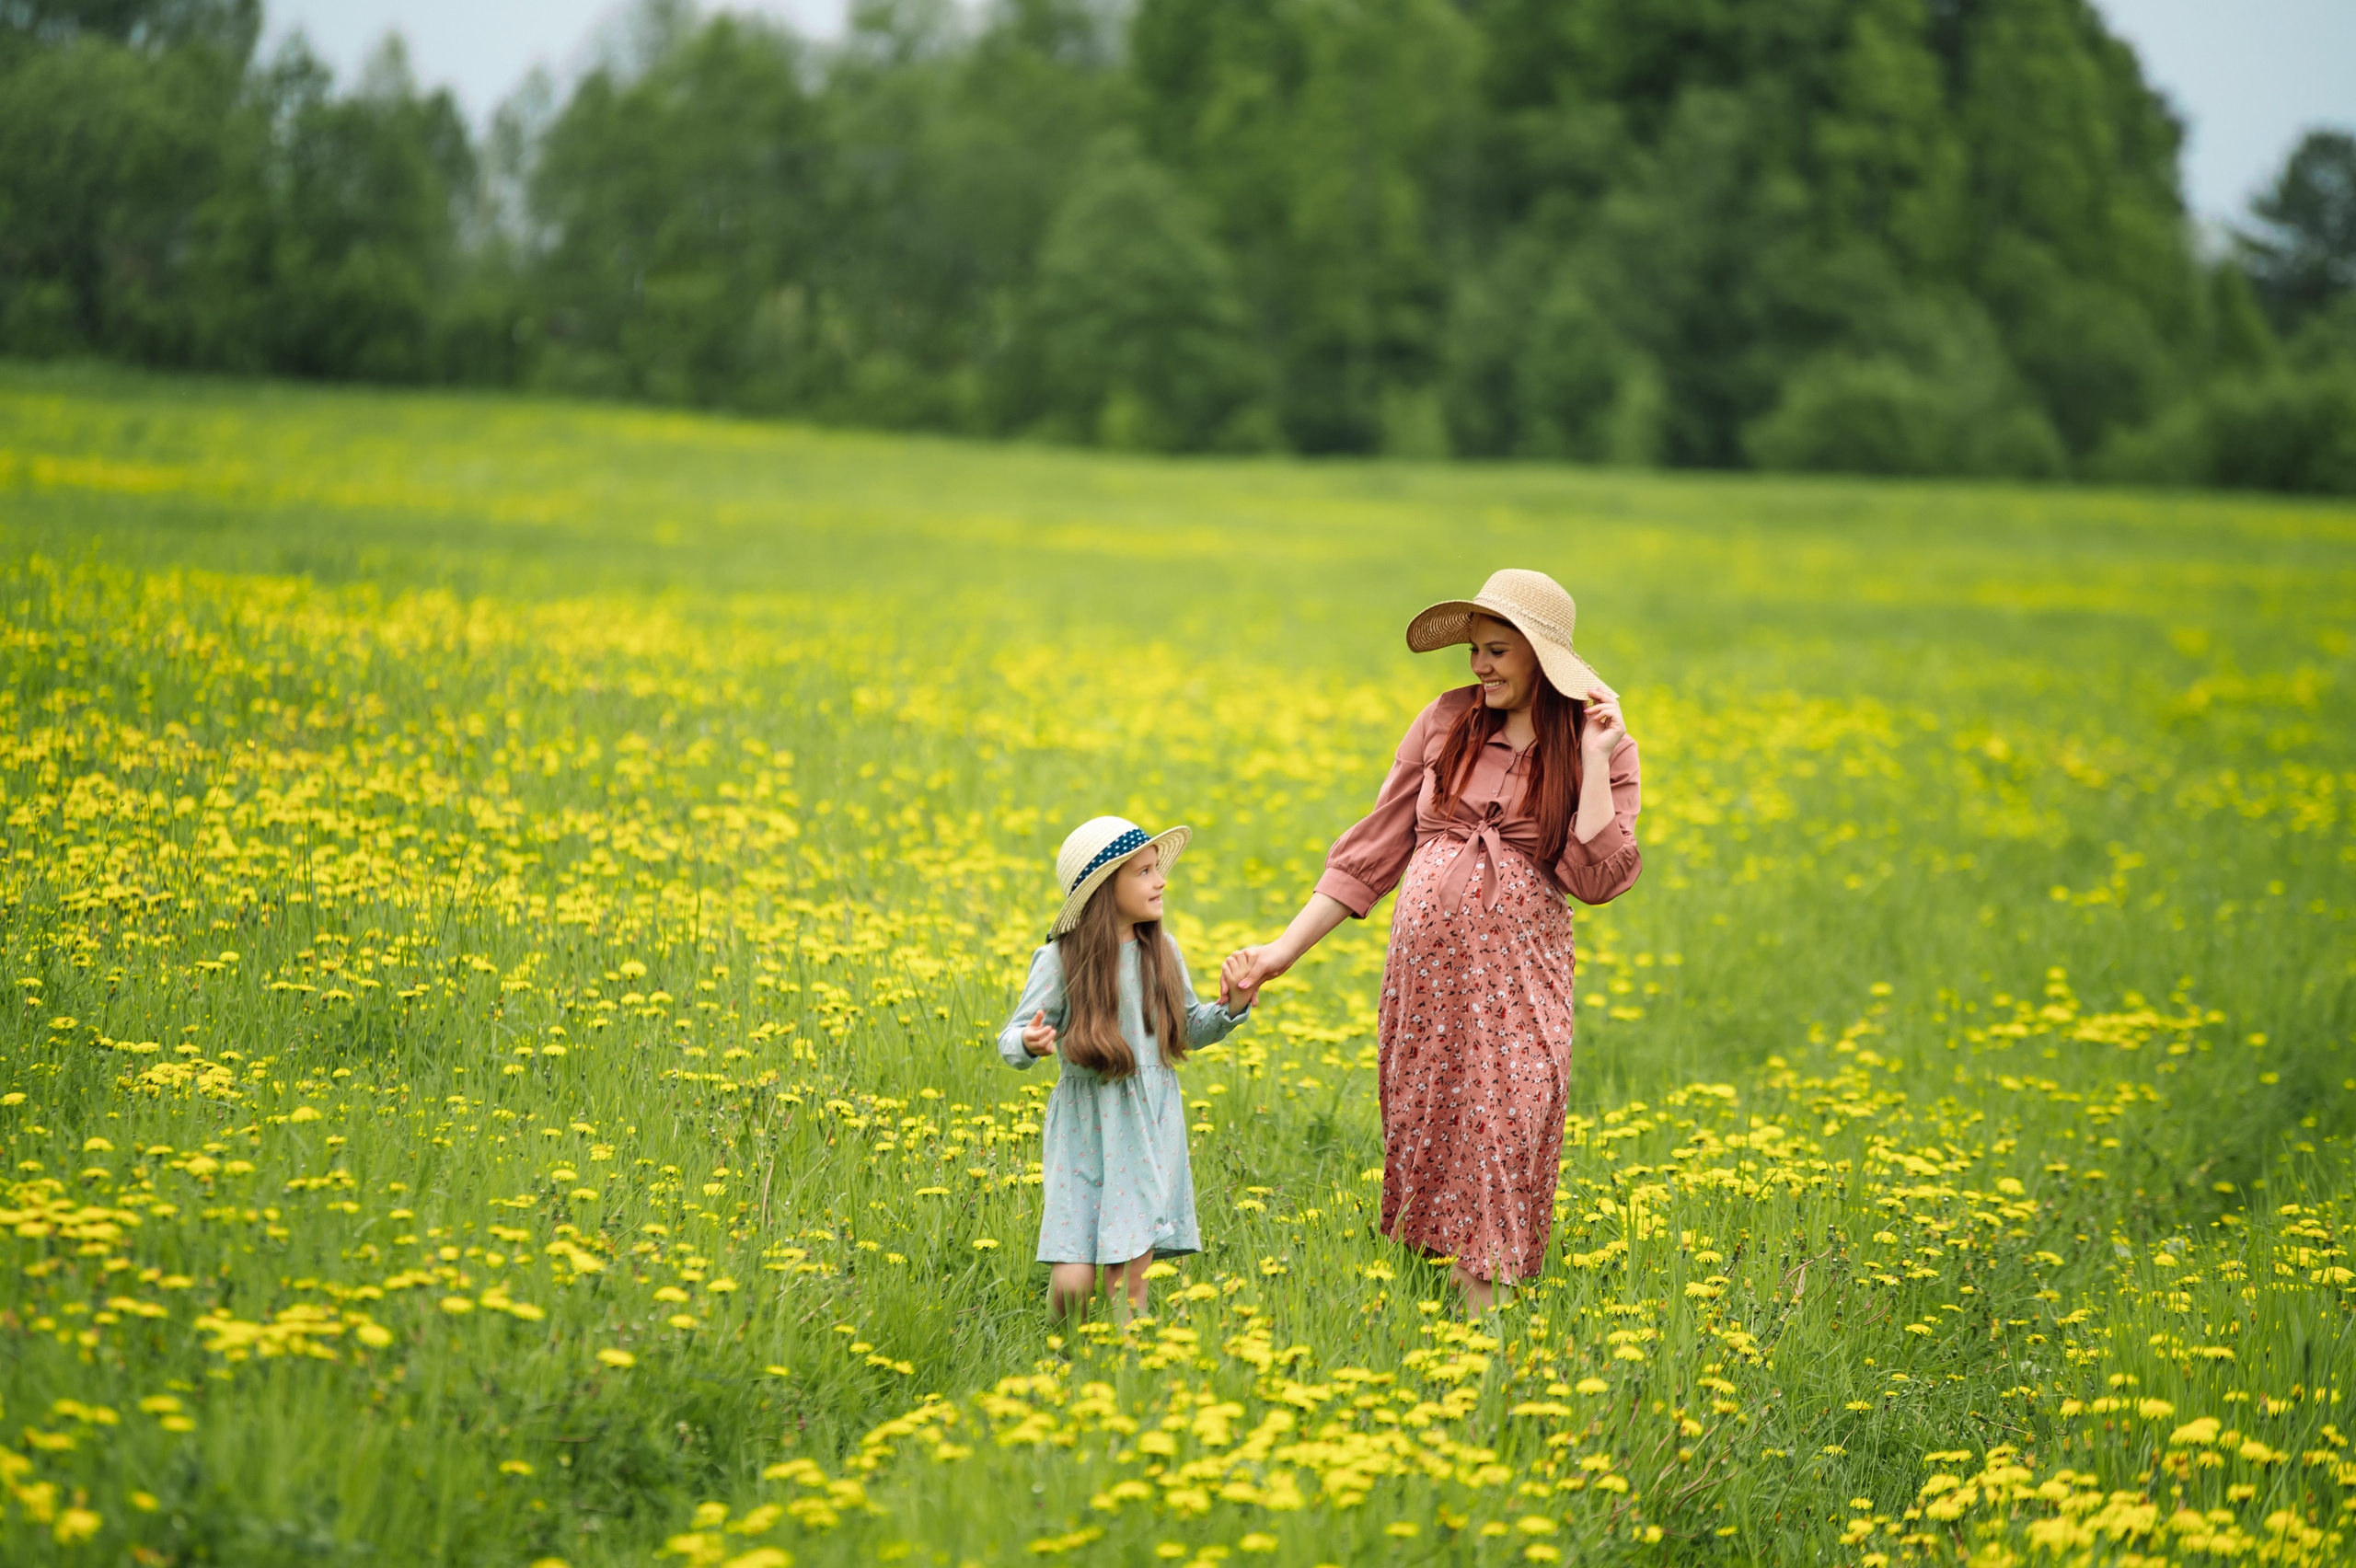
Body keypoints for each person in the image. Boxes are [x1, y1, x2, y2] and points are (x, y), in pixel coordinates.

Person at [1221, 569, 1641, 1311]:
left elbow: (1598, 877)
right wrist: (1281, 951)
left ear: (1541, 654)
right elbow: (1374, 849)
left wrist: (1594, 760)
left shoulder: (1598, 740)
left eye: (1497, 651)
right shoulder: (1446, 720)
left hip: (1519, 978)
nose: (1480, 666)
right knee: (1430, 1116)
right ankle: (1443, 1298)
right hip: (1428, 979)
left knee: (1510, 1117)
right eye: (1475, 650)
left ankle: (1486, 1314)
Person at [1000, 815, 1253, 1322]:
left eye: (1157, 869)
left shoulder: (1162, 952)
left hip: (1147, 1121)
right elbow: (1012, 1035)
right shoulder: (1059, 959)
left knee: (1128, 1277)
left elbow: (1186, 1028)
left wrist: (1233, 1005)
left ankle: (1124, 1360)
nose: (1160, 882)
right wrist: (1028, 1041)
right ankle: (1063, 1351)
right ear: (1102, 889)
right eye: (1143, 872)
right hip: (1085, 1124)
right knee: (1073, 1283)